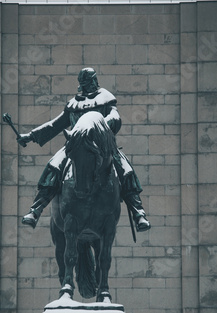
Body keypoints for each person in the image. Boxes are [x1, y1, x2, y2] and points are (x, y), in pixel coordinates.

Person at [17, 67, 151, 233]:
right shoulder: (75, 103)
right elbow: (55, 125)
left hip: (103, 147)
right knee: (53, 166)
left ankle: (139, 213)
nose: (89, 86)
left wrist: (99, 127)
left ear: (95, 80)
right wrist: (30, 136)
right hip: (74, 146)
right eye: (85, 84)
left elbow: (115, 117)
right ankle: (35, 210)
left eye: (90, 82)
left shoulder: (106, 99)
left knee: (126, 170)